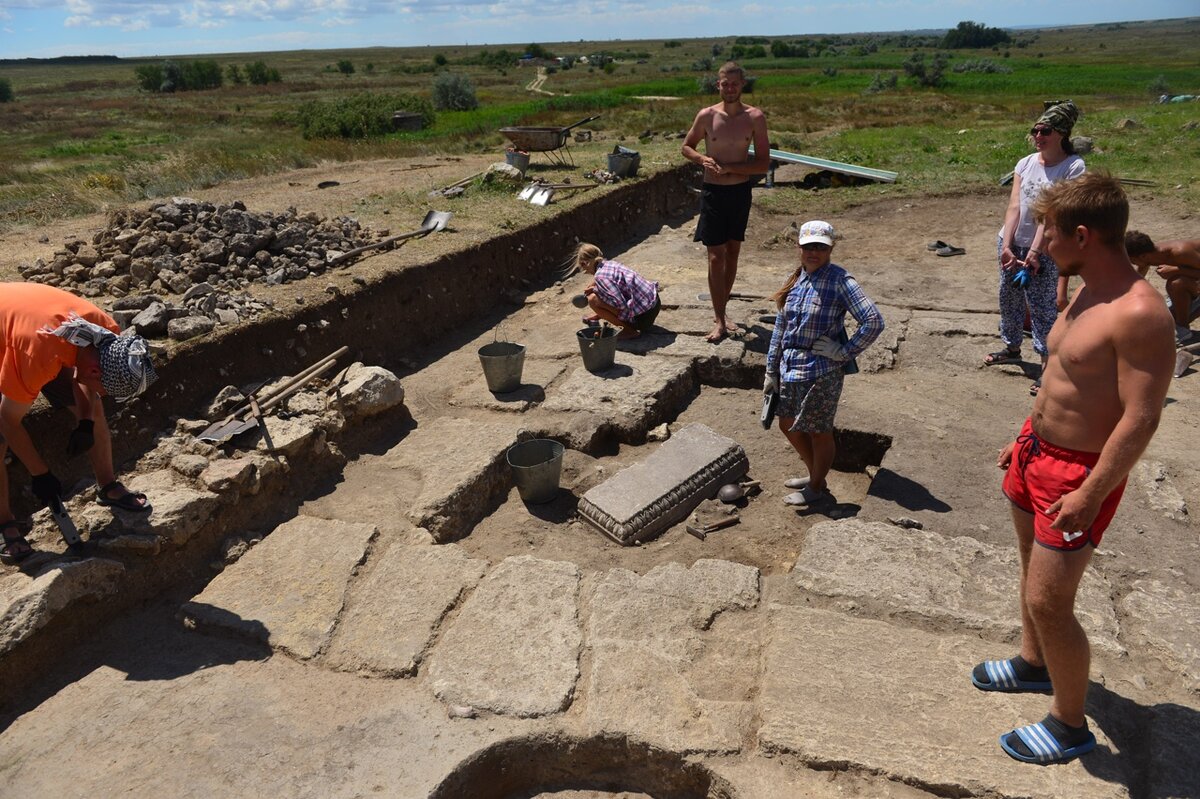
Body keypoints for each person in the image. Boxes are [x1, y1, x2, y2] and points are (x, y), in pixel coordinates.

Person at [974, 173, 1174, 765]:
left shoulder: (1140, 313)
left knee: (1050, 601)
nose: (1041, 240)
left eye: (1049, 231)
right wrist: (1024, 436)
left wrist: (1091, 491)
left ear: (1082, 235)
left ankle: (1069, 723)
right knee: (1029, 569)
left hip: (1078, 474)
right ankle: (1034, 664)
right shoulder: (1085, 285)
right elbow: (1062, 378)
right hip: (1035, 452)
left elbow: (1140, 418)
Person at [1, 283, 158, 563]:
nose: (102, 395)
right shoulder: (37, 354)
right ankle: (5, 523)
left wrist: (85, 421)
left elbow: (84, 376)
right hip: (16, 339)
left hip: (40, 330)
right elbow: (8, 420)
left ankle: (107, 485)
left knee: (93, 410)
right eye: (105, 390)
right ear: (95, 370)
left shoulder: (106, 335)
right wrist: (40, 474)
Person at [763, 221, 883, 506]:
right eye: (808, 246)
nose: (813, 252)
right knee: (787, 423)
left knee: (819, 430)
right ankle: (815, 473)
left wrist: (843, 352)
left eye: (820, 247)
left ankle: (816, 488)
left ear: (831, 248)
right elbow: (781, 324)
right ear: (799, 247)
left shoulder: (841, 280)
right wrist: (770, 369)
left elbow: (874, 321)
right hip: (790, 367)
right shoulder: (796, 277)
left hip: (822, 370)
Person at [985, 101, 1085, 397]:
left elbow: (1052, 212)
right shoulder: (1025, 163)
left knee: (1042, 306)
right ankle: (1012, 346)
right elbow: (1015, 204)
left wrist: (1035, 252)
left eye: (1045, 130)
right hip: (1013, 241)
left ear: (1062, 133)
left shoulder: (1073, 166)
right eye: (1035, 130)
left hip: (1047, 246)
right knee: (1009, 295)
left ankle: (1046, 366)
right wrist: (1007, 244)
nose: (1038, 135)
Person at [681, 61, 770, 344]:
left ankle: (723, 310)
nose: (729, 88)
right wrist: (702, 159)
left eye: (734, 83)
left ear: (742, 85)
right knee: (715, 255)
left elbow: (763, 163)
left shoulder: (755, 117)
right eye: (724, 83)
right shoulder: (707, 116)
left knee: (732, 253)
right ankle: (719, 320)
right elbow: (686, 147)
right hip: (713, 193)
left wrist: (733, 169)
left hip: (739, 193)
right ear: (717, 85)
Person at [1125, 230, 1200, 344]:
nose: (1132, 263)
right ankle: (1180, 324)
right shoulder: (1153, 255)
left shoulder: (1180, 252)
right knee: (1164, 323)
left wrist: (1176, 270)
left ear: (1143, 256)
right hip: (1194, 284)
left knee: (1176, 284)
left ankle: (1184, 330)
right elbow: (1139, 276)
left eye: (1132, 260)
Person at [573, 243, 661, 340]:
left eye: (583, 267)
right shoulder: (610, 264)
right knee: (600, 297)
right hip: (654, 304)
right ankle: (600, 315)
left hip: (643, 318)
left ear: (584, 263)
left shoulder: (600, 276)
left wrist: (597, 291)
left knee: (592, 300)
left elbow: (620, 305)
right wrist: (597, 288)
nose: (585, 271)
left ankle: (629, 332)